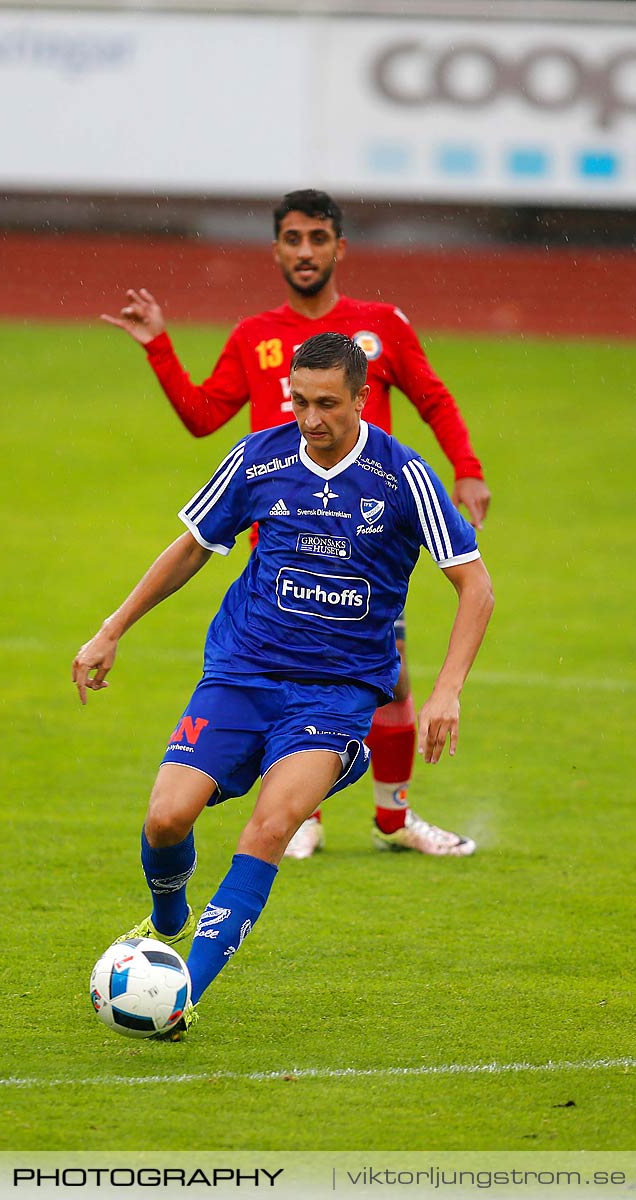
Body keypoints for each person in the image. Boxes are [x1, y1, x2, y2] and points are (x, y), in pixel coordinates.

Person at [72, 333, 494, 1036]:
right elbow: (192, 547)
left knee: (270, 827)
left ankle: (180, 997)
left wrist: (447, 689)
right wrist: (112, 628)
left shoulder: (402, 477)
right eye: (298, 401)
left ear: (363, 398)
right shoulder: (259, 456)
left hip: (335, 695)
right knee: (166, 818)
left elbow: (474, 585)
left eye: (327, 404)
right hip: (241, 673)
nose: (310, 419)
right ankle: (169, 914)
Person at [102, 189, 492, 859]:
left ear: (340, 247)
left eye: (318, 238)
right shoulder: (253, 336)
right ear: (276, 249)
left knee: (390, 678)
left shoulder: (380, 326)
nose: (305, 251)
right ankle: (310, 810)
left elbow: (432, 395)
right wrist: (160, 348)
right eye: (293, 239)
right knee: (323, 676)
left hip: (367, 541)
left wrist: (467, 467)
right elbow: (203, 416)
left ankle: (386, 818)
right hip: (279, 544)